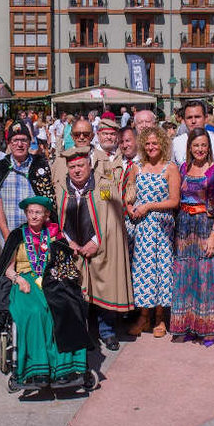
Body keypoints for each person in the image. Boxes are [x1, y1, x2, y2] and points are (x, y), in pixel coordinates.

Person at [0, 197, 92, 390]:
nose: (33, 216)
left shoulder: (54, 235)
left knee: (65, 308)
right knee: (34, 312)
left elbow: (64, 265)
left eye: (38, 212)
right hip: (25, 280)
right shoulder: (17, 236)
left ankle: (65, 369)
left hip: (51, 279)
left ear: (46, 215)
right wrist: (19, 279)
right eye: (30, 212)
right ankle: (36, 370)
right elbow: (8, 269)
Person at [52, 146, 135, 351]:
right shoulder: (61, 188)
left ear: (90, 165)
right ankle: (81, 333)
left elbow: (112, 217)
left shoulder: (104, 186)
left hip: (100, 246)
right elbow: (56, 219)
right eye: (72, 167)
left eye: (81, 165)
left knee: (105, 287)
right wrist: (67, 241)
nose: (77, 170)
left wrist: (96, 241)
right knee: (75, 293)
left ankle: (107, 332)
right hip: (72, 249)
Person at [0, 123, 55, 344]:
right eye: (15, 140)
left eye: (24, 140)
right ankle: (4, 327)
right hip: (7, 234)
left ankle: (36, 326)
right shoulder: (0, 167)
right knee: (8, 279)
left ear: (29, 142)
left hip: (36, 235)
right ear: (8, 143)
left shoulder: (40, 165)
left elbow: (48, 201)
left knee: (36, 276)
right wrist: (6, 233)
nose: (20, 144)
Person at [172, 128, 214, 345]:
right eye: (196, 145)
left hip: (206, 225)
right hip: (185, 227)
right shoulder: (183, 168)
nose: (200, 149)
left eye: (203, 145)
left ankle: (209, 327)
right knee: (188, 274)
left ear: (209, 147)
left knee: (206, 275)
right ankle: (189, 325)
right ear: (189, 148)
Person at [126, 127, 180, 338]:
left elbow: (174, 201)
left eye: (155, 143)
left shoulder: (170, 168)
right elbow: (129, 196)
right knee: (143, 272)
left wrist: (148, 206)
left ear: (162, 145)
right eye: (147, 143)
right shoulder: (136, 167)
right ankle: (143, 316)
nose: (151, 147)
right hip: (140, 228)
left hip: (161, 227)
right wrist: (130, 208)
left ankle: (160, 318)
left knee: (161, 271)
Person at [171, 101, 214, 167]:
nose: (193, 121)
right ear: (184, 120)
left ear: (206, 118)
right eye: (189, 117)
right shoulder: (176, 142)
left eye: (197, 117)